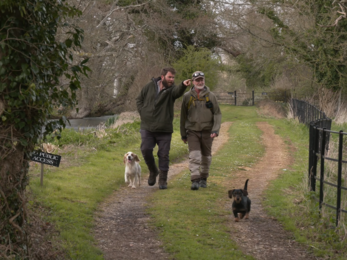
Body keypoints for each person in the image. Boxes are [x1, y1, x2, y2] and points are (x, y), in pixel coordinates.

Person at [136, 68, 191, 189]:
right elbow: (139, 99)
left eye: (173, 78)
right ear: (162, 77)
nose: (172, 80)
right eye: (169, 77)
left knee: (164, 155)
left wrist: (183, 85)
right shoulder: (149, 86)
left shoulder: (172, 90)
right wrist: (143, 113)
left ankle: (162, 180)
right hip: (147, 126)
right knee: (145, 149)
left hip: (164, 128)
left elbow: (177, 92)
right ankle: (153, 171)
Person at [180, 71, 221, 190]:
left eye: (201, 79)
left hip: (208, 131)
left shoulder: (211, 96)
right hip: (192, 131)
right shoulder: (187, 97)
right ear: (193, 82)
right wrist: (183, 134)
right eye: (197, 80)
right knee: (194, 156)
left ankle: (204, 178)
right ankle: (195, 180)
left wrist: (215, 129)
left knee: (206, 157)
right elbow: (183, 116)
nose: (200, 82)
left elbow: (217, 114)